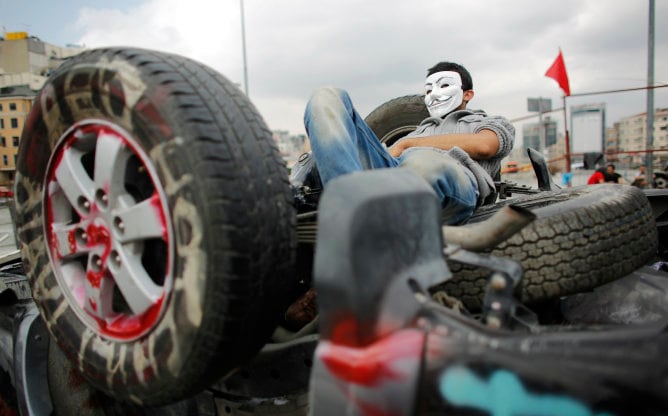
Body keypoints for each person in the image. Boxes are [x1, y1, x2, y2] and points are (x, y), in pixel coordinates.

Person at [303, 61, 515, 225]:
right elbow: (384, 158)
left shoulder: (491, 122)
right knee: (326, 97)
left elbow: (485, 146)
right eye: (429, 90)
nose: (434, 95)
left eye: (443, 86)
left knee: (422, 162)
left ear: (468, 94)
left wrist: (409, 145)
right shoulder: (419, 130)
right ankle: (348, 207)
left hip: (454, 182)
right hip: (394, 176)